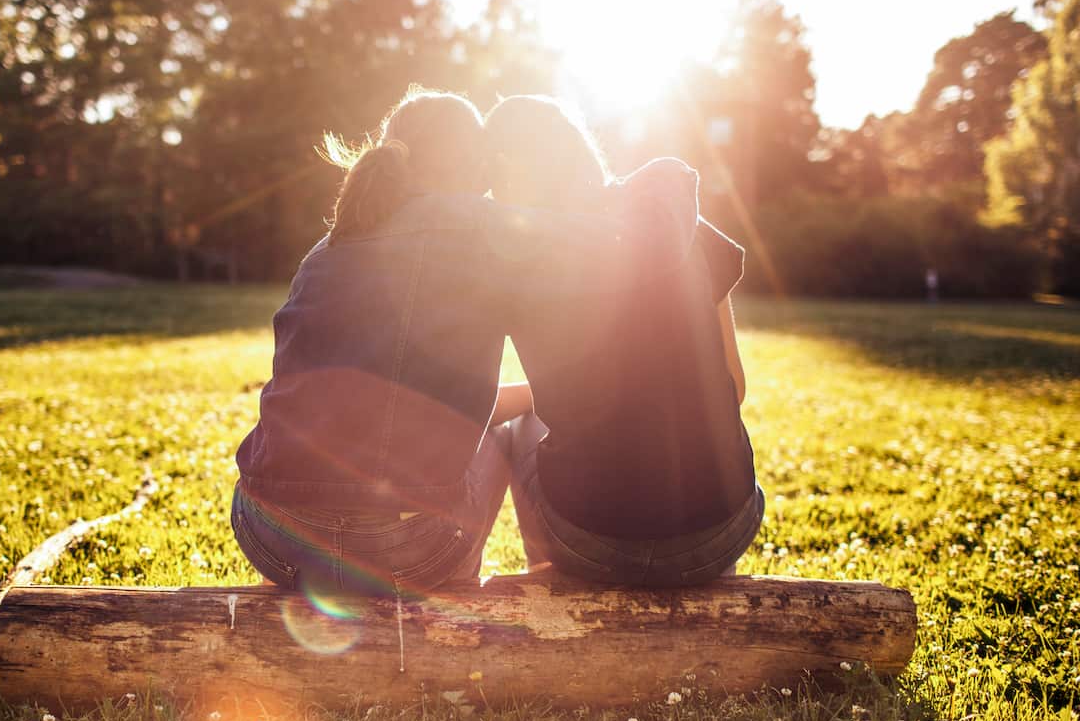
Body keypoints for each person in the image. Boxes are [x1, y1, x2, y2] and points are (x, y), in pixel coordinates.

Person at [231, 87, 595, 599]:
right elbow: (592, 242)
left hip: (270, 534)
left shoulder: (331, 242)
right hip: (406, 548)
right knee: (504, 434)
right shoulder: (490, 233)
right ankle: (486, 584)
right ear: (476, 163)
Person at [483, 95, 763, 587]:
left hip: (590, 541)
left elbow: (473, 402)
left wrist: (532, 397)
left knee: (520, 429)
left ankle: (555, 588)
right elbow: (734, 387)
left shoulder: (514, 254)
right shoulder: (677, 220)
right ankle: (701, 579)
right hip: (722, 531)